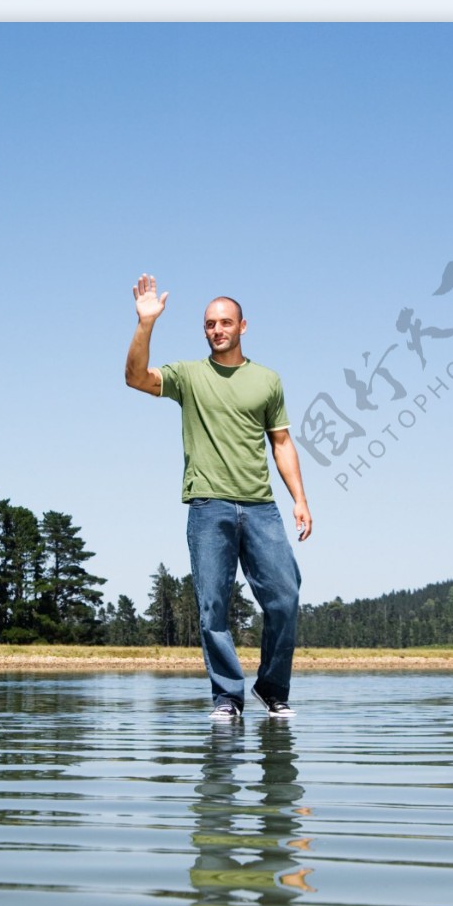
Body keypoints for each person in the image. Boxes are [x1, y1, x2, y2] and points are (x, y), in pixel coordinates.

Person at [124, 273, 312, 721]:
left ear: (242, 327)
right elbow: (135, 378)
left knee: (285, 598)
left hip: (261, 507)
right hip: (208, 506)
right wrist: (145, 324)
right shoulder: (189, 376)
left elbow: (281, 442)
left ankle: (272, 688)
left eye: (225, 322)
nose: (217, 330)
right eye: (210, 324)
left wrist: (300, 499)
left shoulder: (267, 381)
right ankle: (227, 697)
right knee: (213, 607)